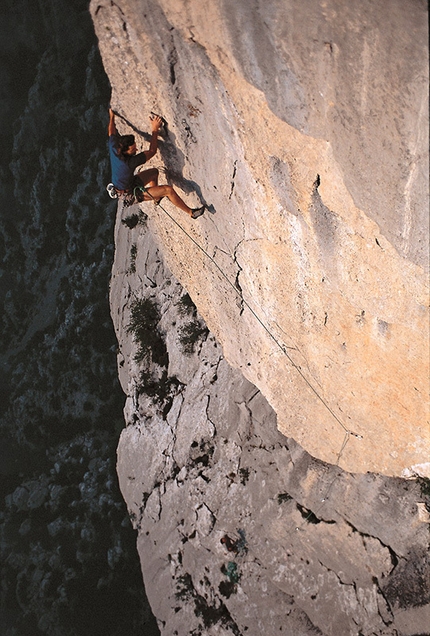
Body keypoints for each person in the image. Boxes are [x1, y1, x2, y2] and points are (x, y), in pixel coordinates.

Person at [108, 108, 205, 219]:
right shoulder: (129, 163)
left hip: (128, 184)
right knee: (168, 190)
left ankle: (156, 197)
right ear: (125, 151)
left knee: (154, 172)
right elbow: (152, 151)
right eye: (133, 150)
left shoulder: (114, 146)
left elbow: (111, 132)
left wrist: (112, 117)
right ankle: (191, 213)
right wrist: (155, 129)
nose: (136, 150)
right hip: (129, 194)